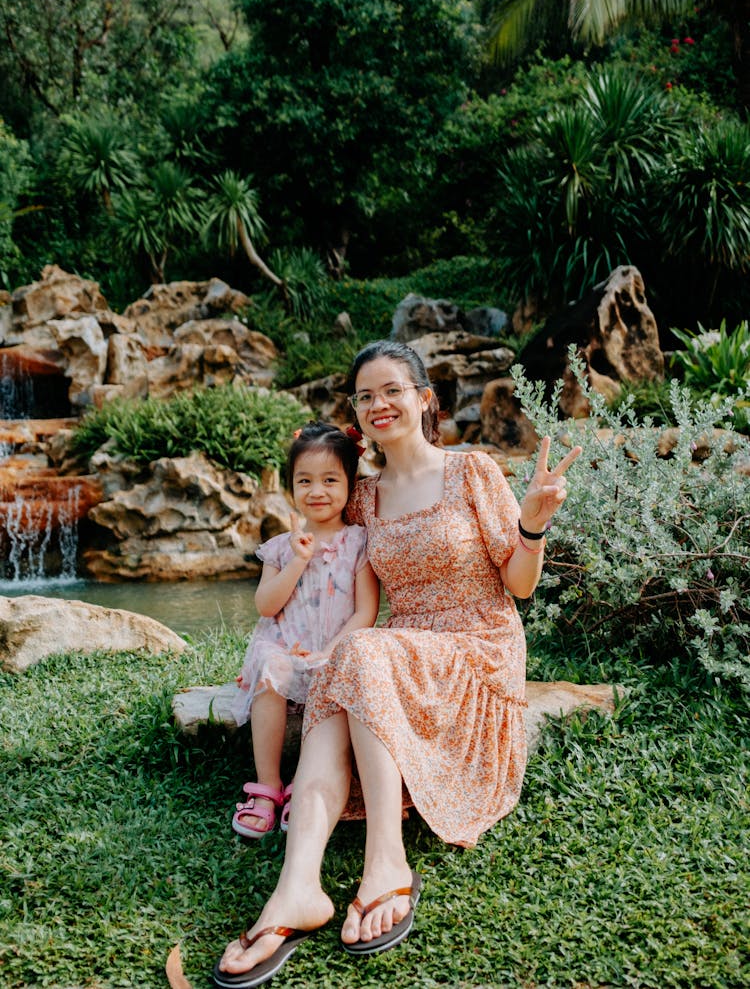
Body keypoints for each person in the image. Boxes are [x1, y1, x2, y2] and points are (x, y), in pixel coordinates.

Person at [214, 340, 581, 989]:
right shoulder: (362, 496)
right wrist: (296, 637)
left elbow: (519, 587)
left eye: (392, 389)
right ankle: (298, 886)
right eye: (365, 394)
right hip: (398, 651)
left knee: (358, 651)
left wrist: (531, 526)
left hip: (478, 649)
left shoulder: (472, 471)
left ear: (423, 397)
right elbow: (319, 557)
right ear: (357, 413)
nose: (380, 403)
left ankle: (387, 861)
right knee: (348, 656)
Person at [230, 421, 380, 840]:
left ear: (351, 482)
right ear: (290, 485)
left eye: (330, 480)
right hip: (283, 646)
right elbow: (265, 605)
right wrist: (297, 561)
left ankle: (306, 784)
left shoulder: (359, 542)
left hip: (332, 650)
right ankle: (268, 786)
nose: (317, 491)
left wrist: (331, 651)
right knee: (271, 668)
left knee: (332, 677)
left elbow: (366, 611)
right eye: (305, 480)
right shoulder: (281, 546)